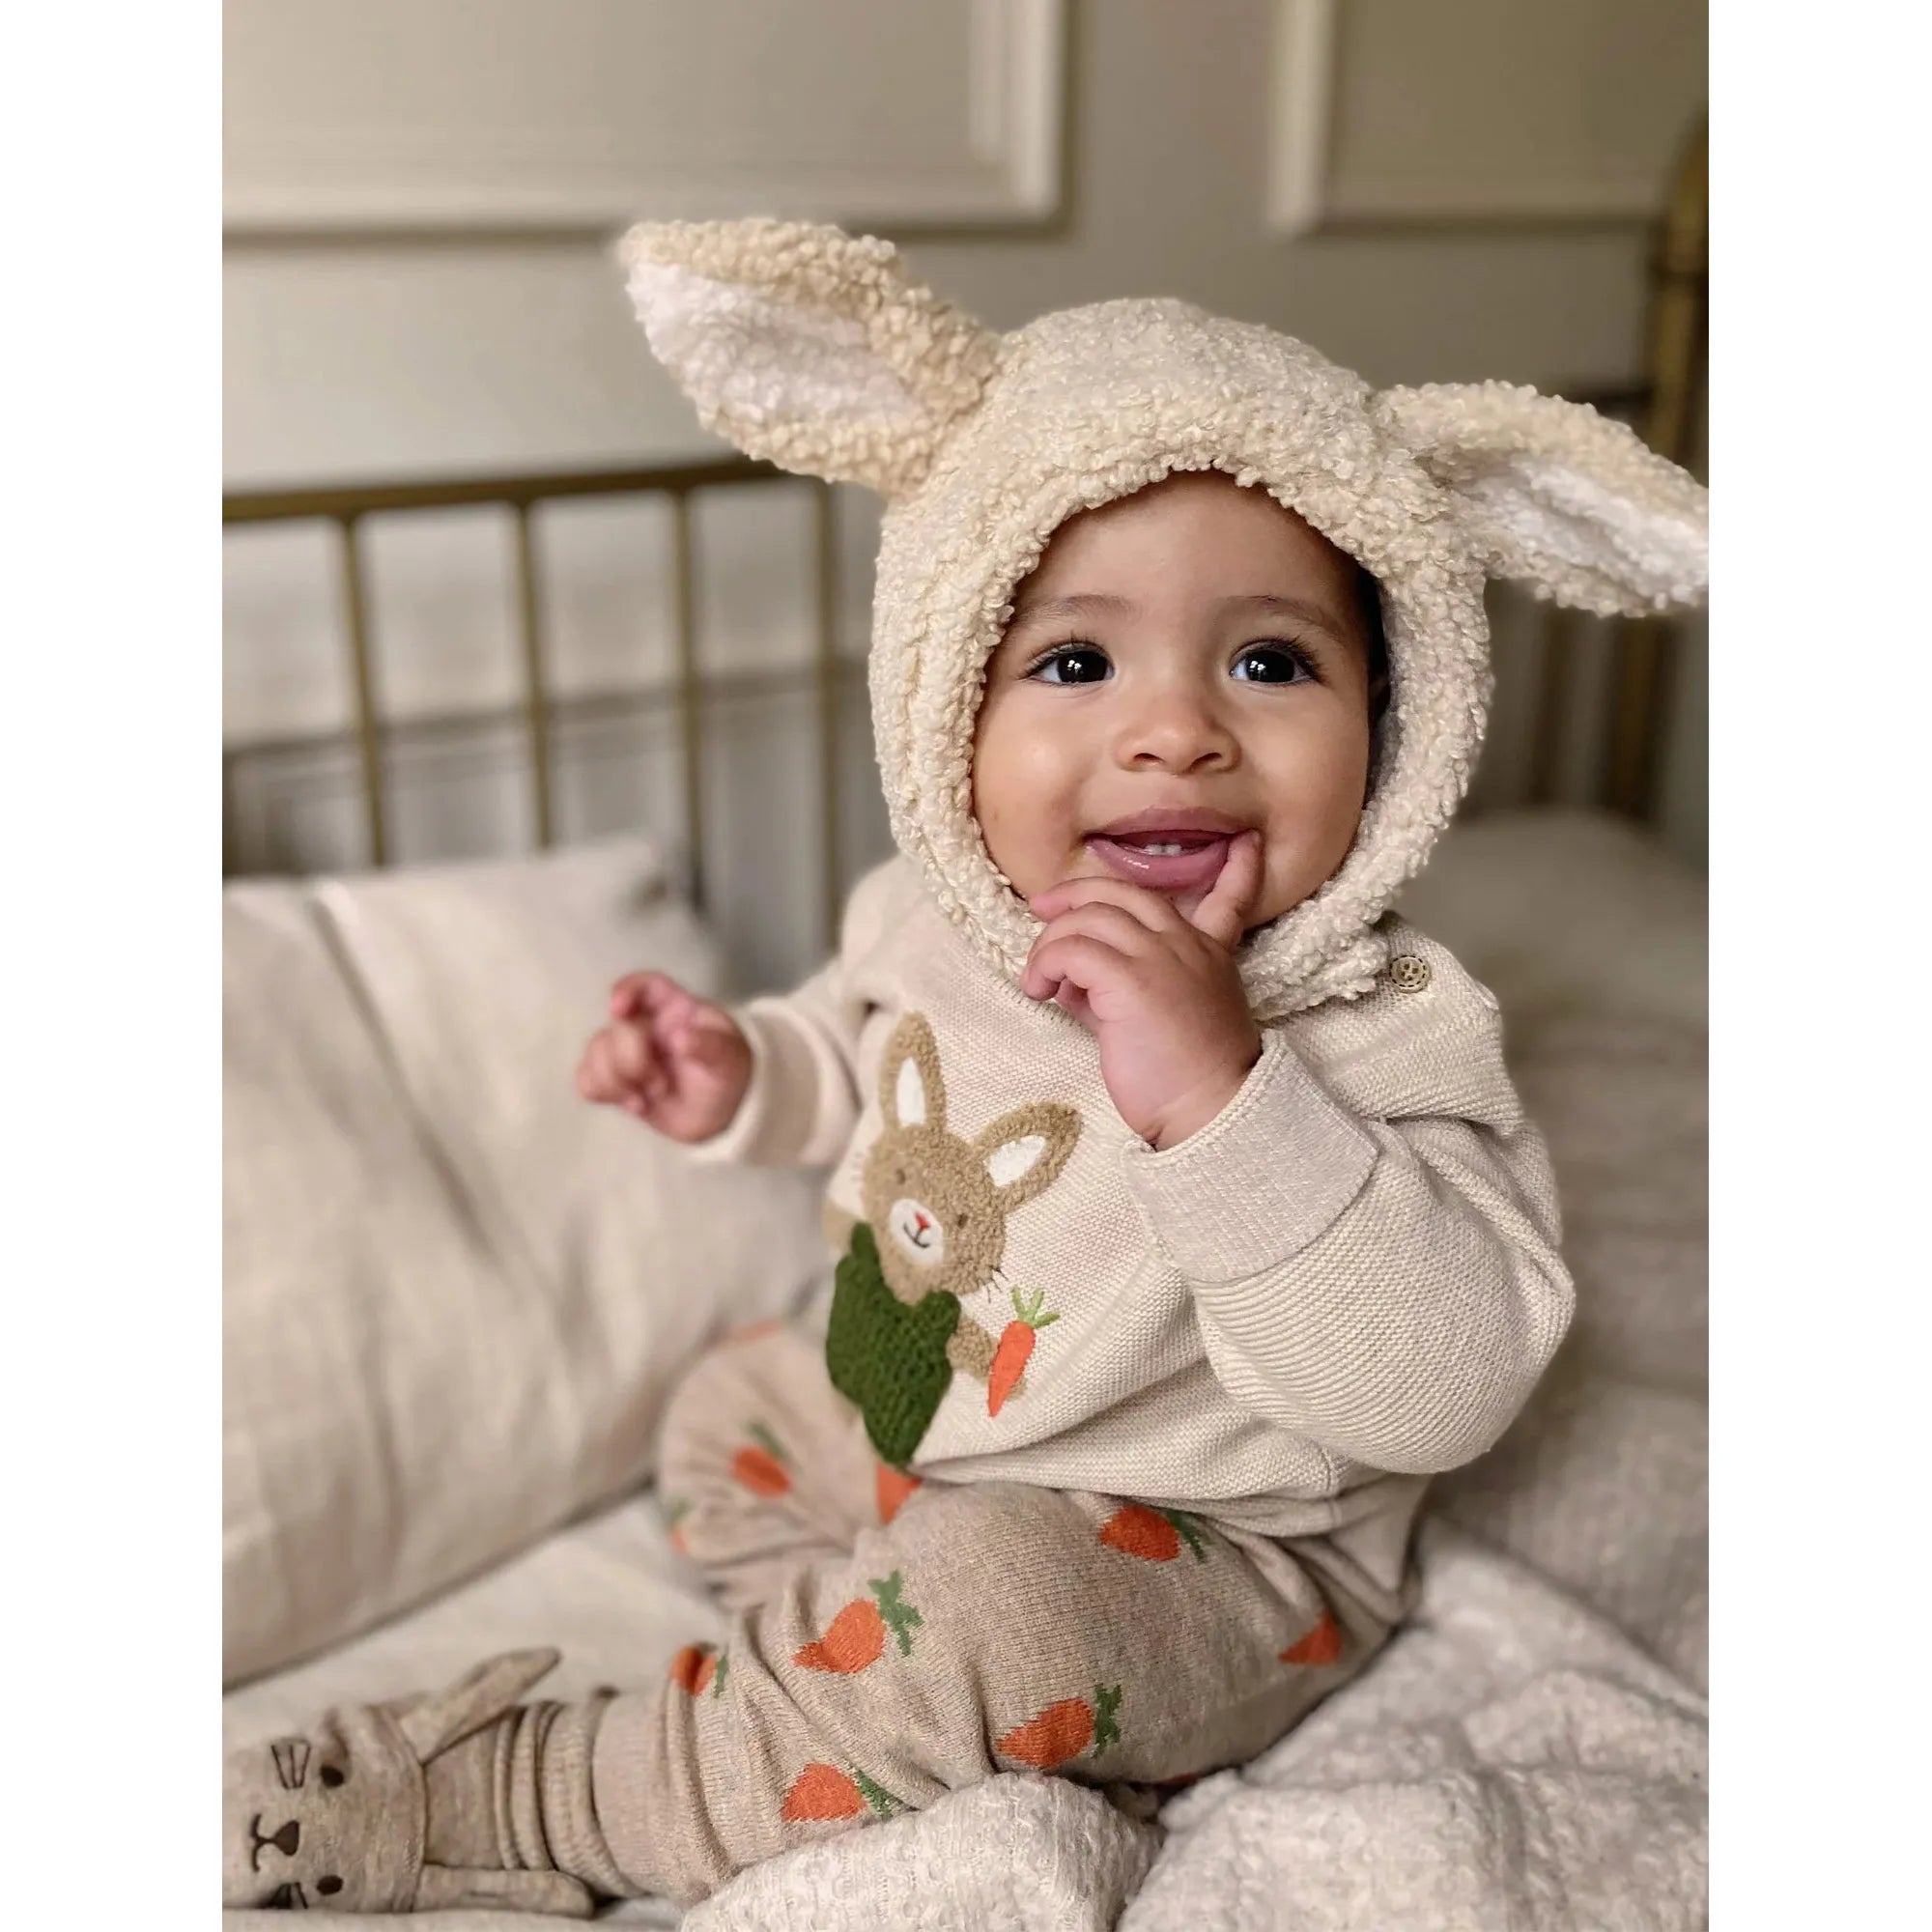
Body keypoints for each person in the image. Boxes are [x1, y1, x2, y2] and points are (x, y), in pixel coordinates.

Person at [223, 218, 1707, 1915]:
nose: (1177, 730)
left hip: (1209, 1551)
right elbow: (863, 1066)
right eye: (1075, 661)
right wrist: (742, 1076)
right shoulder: (931, 924)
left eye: (1271, 661)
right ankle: (850, 1683)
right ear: (946, 707)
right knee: (731, 1403)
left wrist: (1222, 1092)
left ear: (1398, 726)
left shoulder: (1392, 1026)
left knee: (997, 1609)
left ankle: (530, 1796)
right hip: (919, 1440)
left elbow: (1438, 1389)